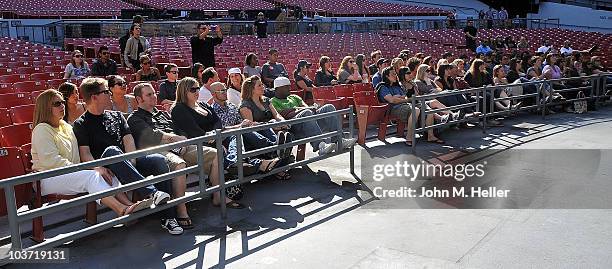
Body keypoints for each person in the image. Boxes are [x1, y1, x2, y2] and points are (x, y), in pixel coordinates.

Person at [73, 77, 180, 235]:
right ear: (94, 97)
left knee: (158, 159)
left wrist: (131, 162)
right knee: (112, 151)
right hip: (107, 168)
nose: (110, 94)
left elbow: (128, 141)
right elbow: (85, 154)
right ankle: (151, 193)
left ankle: (168, 217)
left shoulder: (116, 116)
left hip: (128, 162)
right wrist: (99, 168)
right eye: (105, 91)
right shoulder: (81, 123)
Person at [31, 90, 153, 218]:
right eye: (57, 103)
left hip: (69, 173)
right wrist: (83, 168)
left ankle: (130, 205)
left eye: (62, 102)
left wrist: (95, 167)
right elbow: (51, 161)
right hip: (48, 178)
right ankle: (121, 210)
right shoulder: (41, 129)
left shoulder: (65, 126)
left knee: (106, 173)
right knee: (91, 176)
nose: (62, 106)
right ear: (45, 107)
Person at [128, 83, 222, 229]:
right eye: (149, 95)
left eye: (154, 93)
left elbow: (179, 130)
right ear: (139, 99)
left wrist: (181, 142)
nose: (154, 96)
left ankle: (217, 195)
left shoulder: (163, 114)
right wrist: (175, 139)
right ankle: (181, 209)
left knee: (216, 154)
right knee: (179, 164)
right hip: (157, 151)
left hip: (180, 147)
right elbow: (151, 136)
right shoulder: (134, 118)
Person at [209, 82, 290, 180]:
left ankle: (275, 146)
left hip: (242, 135)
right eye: (222, 91)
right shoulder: (212, 110)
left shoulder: (231, 106)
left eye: (225, 89)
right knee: (243, 129)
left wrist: (249, 124)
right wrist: (241, 125)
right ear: (213, 94)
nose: (225, 92)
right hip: (228, 139)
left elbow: (242, 122)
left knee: (261, 125)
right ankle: (275, 149)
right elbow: (221, 130)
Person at [270, 77, 356, 155]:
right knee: (306, 113)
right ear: (278, 89)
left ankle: (339, 140)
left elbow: (306, 108)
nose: (289, 88)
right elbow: (283, 115)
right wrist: (297, 110)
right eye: (286, 87)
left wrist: (295, 110)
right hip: (295, 128)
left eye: (289, 86)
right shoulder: (273, 101)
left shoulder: (294, 97)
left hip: (309, 121)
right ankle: (320, 145)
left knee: (329, 107)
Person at [239, 75, 293, 167]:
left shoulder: (266, 100)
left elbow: (276, 115)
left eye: (262, 85)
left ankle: (279, 150)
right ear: (251, 89)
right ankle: (278, 150)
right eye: (259, 85)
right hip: (259, 132)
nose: (263, 87)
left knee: (278, 127)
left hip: (272, 127)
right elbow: (250, 125)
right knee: (270, 126)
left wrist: (282, 122)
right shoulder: (245, 105)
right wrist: (271, 125)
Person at [375, 67, 425, 145]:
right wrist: (403, 99)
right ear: (387, 76)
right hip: (391, 109)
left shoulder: (396, 86)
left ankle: (427, 134)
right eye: (393, 74)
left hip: (403, 106)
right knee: (416, 110)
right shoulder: (383, 87)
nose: (395, 76)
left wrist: (397, 98)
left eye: (395, 74)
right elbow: (392, 100)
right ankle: (409, 137)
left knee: (422, 108)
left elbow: (403, 96)